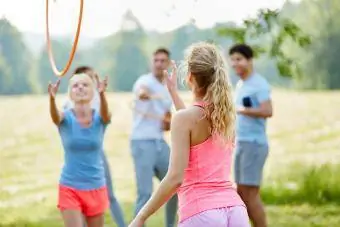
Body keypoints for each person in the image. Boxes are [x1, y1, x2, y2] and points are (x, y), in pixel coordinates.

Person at [128, 42, 250, 227]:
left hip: (201, 213)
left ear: (190, 76)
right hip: (236, 210)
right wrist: (173, 93)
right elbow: (192, 123)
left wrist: (141, 217)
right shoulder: (226, 115)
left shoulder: (186, 119)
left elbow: (175, 178)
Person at [62, 66, 126, 227]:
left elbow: (105, 117)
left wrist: (101, 93)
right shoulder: (69, 105)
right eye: (80, 82)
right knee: (79, 205)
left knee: (109, 195)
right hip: (77, 161)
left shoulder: (97, 99)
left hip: (96, 155)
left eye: (89, 79)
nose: (84, 85)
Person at [49, 72, 110, 227]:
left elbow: (106, 116)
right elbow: (55, 117)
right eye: (75, 86)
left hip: (96, 186)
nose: (80, 88)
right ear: (70, 93)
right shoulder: (65, 118)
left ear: (92, 91)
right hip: (70, 186)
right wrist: (51, 99)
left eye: (85, 84)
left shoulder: (99, 117)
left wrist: (102, 94)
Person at [130, 48, 178, 227]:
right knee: (145, 192)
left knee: (175, 185)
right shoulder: (144, 82)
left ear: (168, 63)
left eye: (163, 61)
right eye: (156, 60)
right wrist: (144, 95)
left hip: (159, 142)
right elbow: (141, 93)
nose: (159, 64)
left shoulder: (167, 86)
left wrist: (168, 122)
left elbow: (166, 119)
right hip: (142, 142)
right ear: (152, 63)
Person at [229, 44, 273, 227]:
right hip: (241, 144)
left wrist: (241, 109)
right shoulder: (241, 84)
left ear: (249, 60)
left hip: (254, 145)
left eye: (238, 59)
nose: (234, 63)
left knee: (250, 194)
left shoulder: (259, 83)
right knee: (240, 193)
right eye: (232, 60)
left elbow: (267, 110)